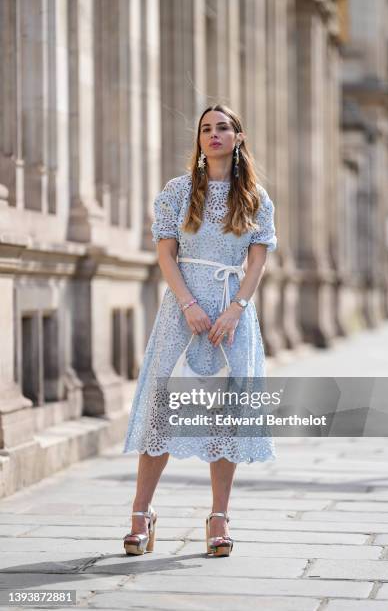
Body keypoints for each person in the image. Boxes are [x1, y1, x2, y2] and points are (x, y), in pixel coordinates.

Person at [122, 103, 278, 557]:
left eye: (223, 128)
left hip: (232, 315)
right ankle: (140, 513)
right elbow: (166, 255)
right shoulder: (176, 191)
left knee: (223, 418)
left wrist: (235, 309)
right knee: (162, 412)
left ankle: (218, 518)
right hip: (181, 312)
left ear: (238, 137)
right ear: (199, 139)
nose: (214, 135)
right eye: (206, 128)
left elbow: (257, 261)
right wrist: (189, 304)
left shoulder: (254, 198)